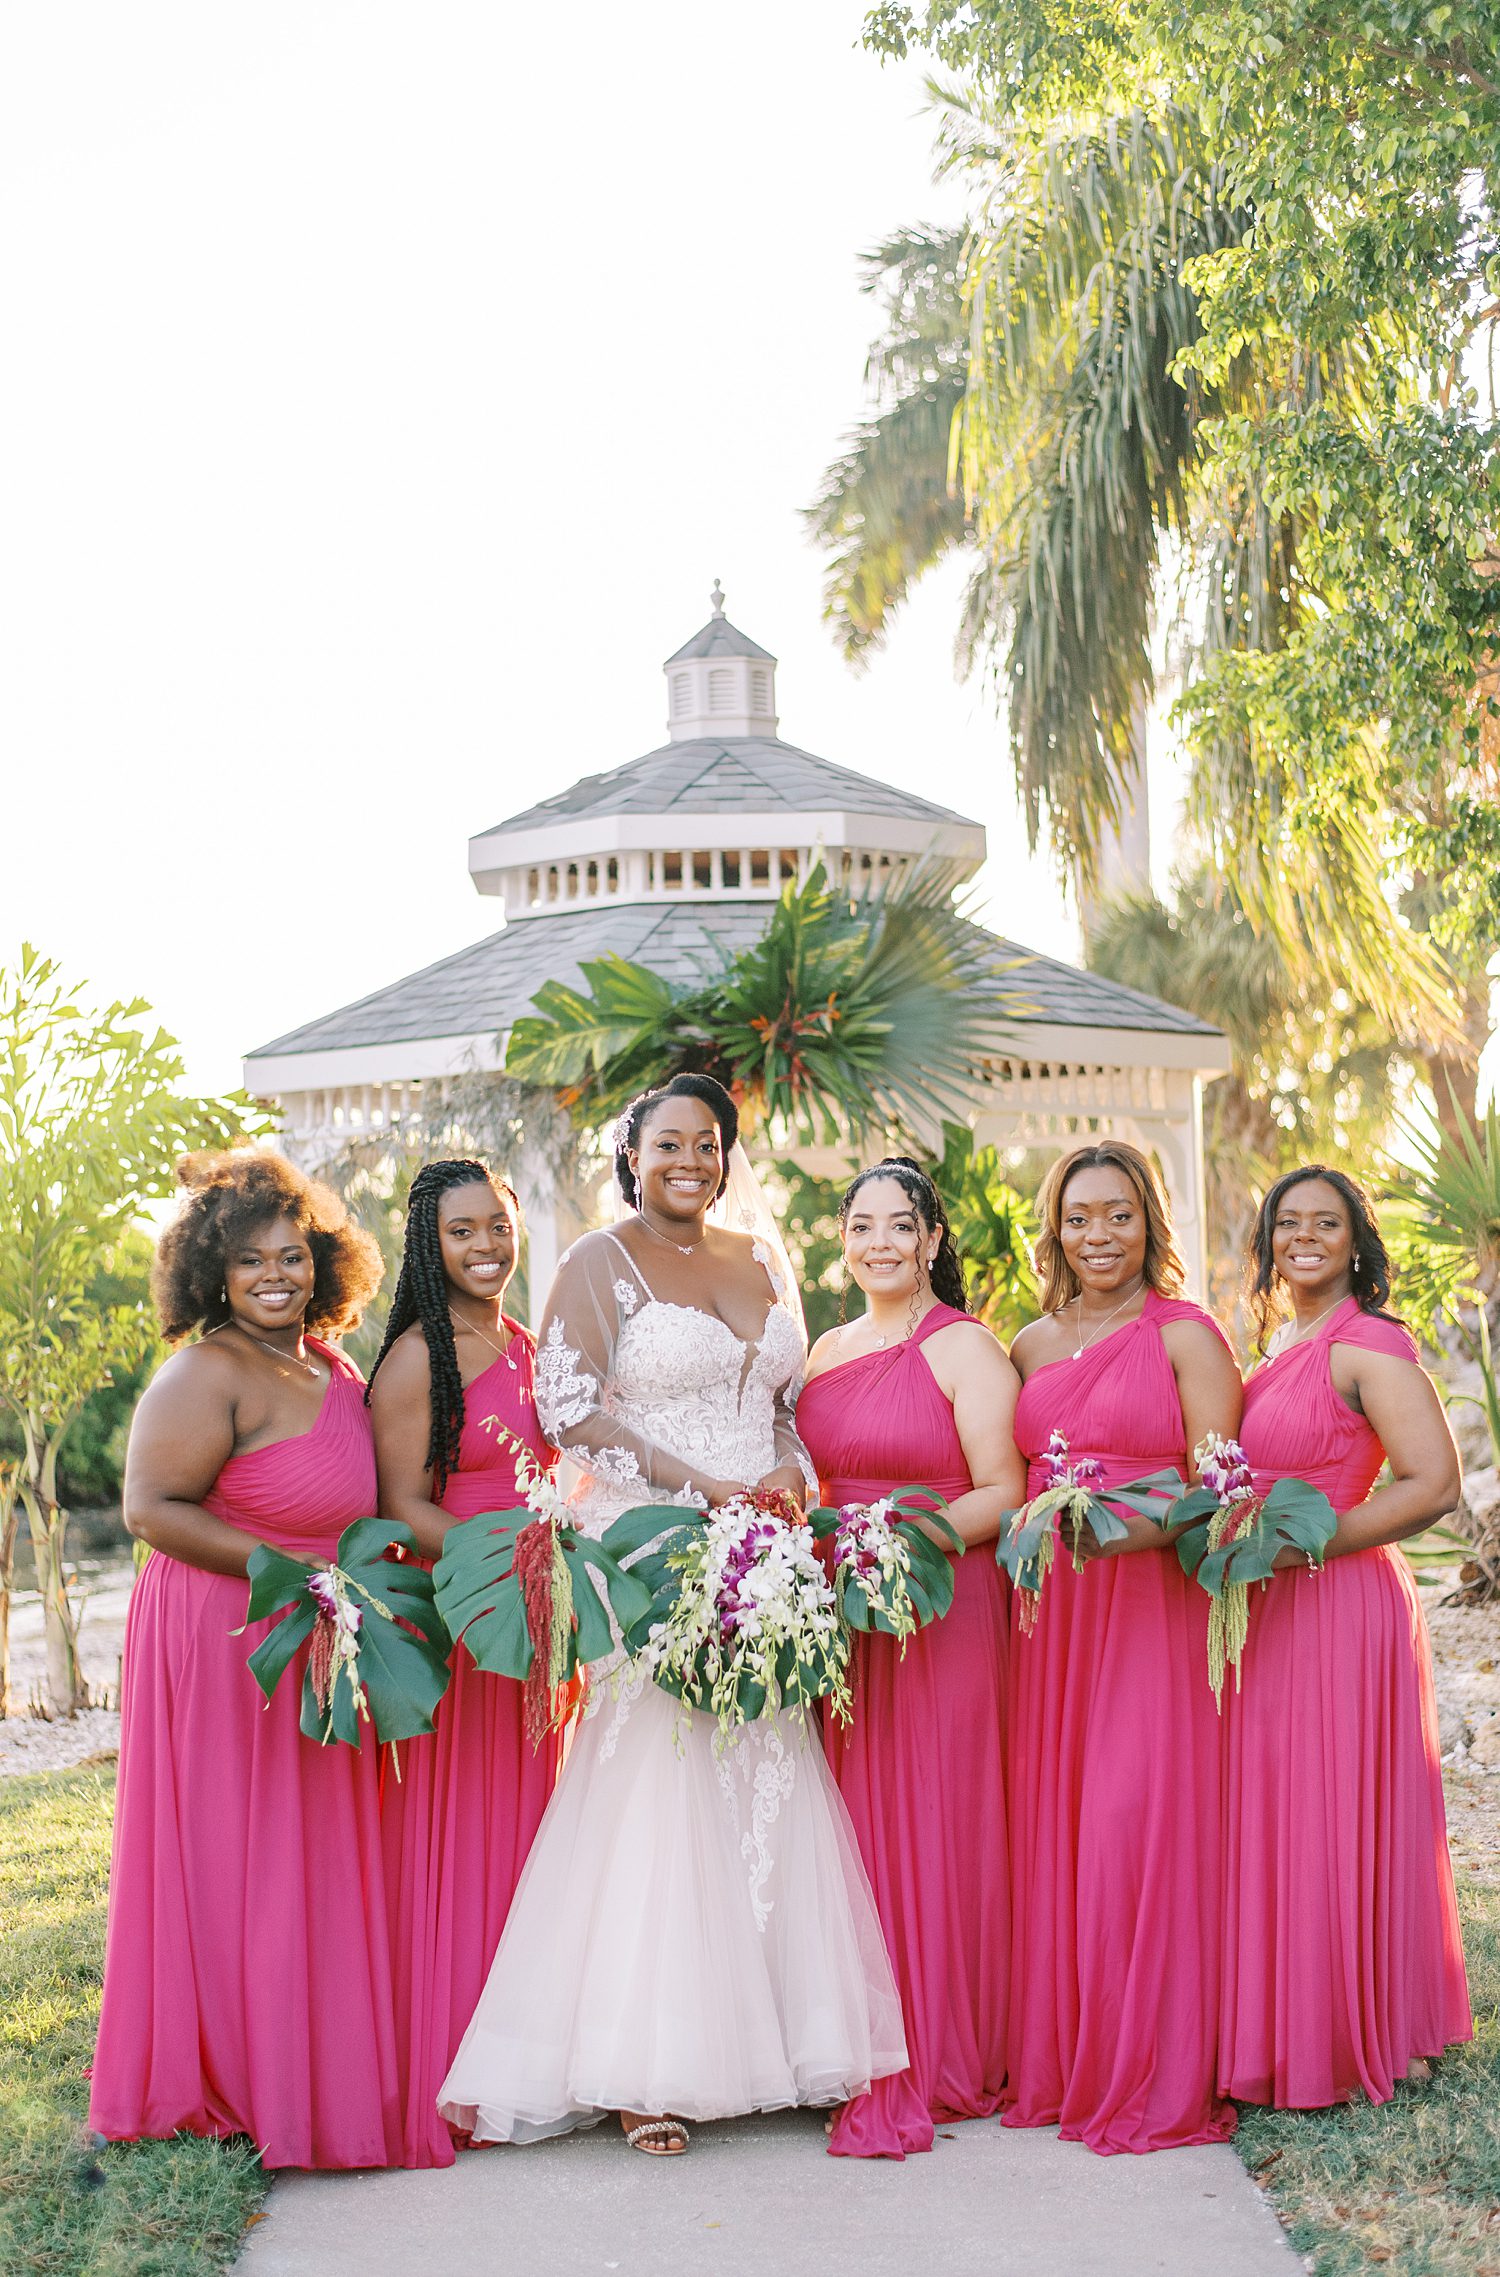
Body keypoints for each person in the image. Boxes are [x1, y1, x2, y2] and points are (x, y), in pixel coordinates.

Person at [437, 1073, 906, 2155]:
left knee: (769, 1768)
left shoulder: (764, 1256)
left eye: (707, 1143)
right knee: (660, 1783)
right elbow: (572, 1409)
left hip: (766, 1545)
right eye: (667, 1145)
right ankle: (647, 2067)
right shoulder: (595, 1262)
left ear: (726, 1157)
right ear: (632, 1155)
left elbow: (784, 1405)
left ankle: (790, 2043)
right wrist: (698, 1489)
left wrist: (788, 1476)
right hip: (652, 1543)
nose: (689, 1161)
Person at [89, 1150, 406, 2169]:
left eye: (294, 1256)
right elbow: (149, 1509)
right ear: (211, 1275)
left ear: (324, 1262)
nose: (277, 1275)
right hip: (227, 1633)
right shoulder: (205, 1370)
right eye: (251, 1261)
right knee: (239, 1859)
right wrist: (292, 1568)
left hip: (313, 1623)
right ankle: (233, 2078)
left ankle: (308, 2057)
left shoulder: (329, 1362)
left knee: (299, 1858)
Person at [1003, 1140, 1243, 2154]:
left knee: (1134, 1824)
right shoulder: (1025, 1342)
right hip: (1050, 1621)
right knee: (1059, 1830)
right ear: (1053, 1228)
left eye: (1119, 1215)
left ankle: (1152, 2062)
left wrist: (1125, 1523)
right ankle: (1068, 2058)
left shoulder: (1188, 1335)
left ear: (1150, 1221)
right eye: (1078, 1216)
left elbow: (1223, 1486)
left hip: (1148, 1602)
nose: (1098, 1235)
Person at [1219, 1164, 1471, 2106]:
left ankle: (1340, 2029)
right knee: (1286, 1808)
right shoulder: (1283, 1337)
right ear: (1270, 1240)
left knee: (1330, 1804)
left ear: (1357, 1239)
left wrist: (1303, 1542)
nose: (1305, 1237)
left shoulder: (1372, 1343)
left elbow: (1433, 1483)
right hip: (1272, 1600)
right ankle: (1290, 2015)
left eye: (1327, 1222)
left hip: (1340, 1599)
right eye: (1289, 1223)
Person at [797, 1156, 1025, 2160]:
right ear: (842, 1240)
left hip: (942, 1610)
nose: (880, 1242)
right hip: (842, 1617)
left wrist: (897, 1539)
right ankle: (849, 2034)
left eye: (902, 1225)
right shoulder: (821, 1351)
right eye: (862, 1225)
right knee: (850, 1820)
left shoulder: (965, 1346)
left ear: (934, 1240)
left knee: (938, 1814)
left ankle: (937, 2042)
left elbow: (1001, 1490)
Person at [366, 1158, 557, 2168]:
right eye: (461, 1233)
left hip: (539, 1613)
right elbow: (400, 1505)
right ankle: (459, 2065)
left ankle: (528, 2058)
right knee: (473, 1829)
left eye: (497, 1226)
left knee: (533, 1831)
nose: (486, 1246)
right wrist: (506, 1564)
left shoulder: (522, 1342)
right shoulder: (414, 1360)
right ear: (427, 1247)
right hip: (470, 1608)